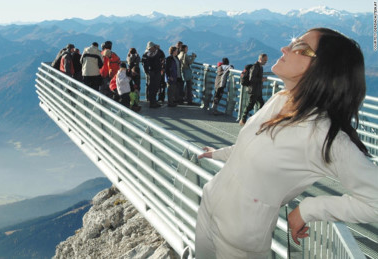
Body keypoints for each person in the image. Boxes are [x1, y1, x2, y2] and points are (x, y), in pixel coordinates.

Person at [195, 28, 378, 258]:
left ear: (324, 69)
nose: (285, 49)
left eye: (300, 47)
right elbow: (252, 148)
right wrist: (218, 154)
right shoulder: (280, 99)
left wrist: (308, 210)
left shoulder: (325, 136)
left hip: (240, 240)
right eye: (292, 42)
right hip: (209, 207)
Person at [239, 53, 268, 125]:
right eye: (265, 60)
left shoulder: (260, 67)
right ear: (260, 59)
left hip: (257, 90)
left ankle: (258, 121)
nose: (266, 62)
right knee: (250, 105)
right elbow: (251, 79)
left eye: (266, 60)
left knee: (261, 105)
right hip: (253, 90)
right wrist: (261, 80)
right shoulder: (255, 67)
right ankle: (243, 119)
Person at [142, 41, 165, 108]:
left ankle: (154, 101)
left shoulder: (157, 52)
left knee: (156, 87)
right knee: (152, 87)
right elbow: (144, 64)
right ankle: (152, 102)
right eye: (153, 47)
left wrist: (159, 49)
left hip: (157, 71)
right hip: (151, 72)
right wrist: (147, 72)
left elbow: (163, 56)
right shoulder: (146, 54)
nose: (154, 48)